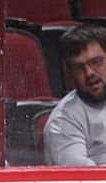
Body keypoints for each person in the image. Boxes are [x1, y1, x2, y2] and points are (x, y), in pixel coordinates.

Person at [44, 25, 106, 166]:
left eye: (96, 62)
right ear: (70, 72)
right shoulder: (63, 120)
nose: (89, 73)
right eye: (79, 67)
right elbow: (84, 179)